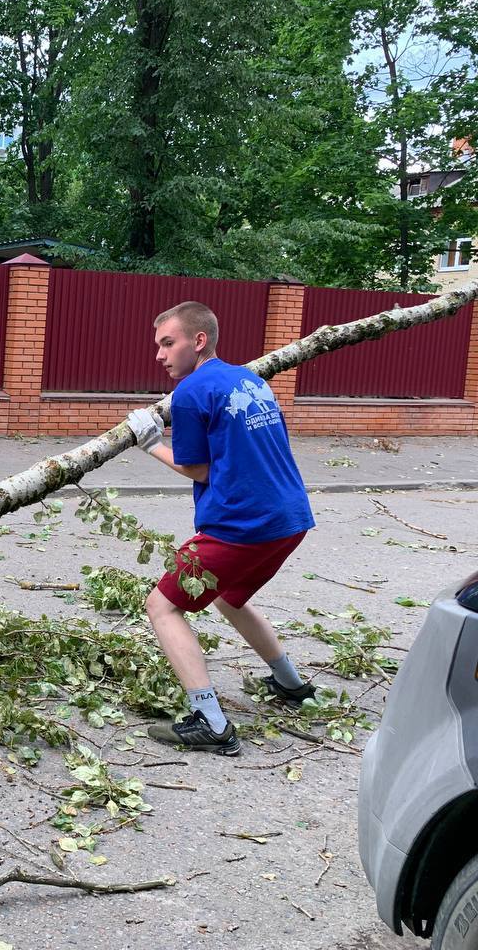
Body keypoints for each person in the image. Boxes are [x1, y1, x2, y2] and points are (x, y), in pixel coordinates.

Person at [125, 301, 316, 756]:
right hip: (289, 518)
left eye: (168, 343)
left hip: (240, 524)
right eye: (158, 345)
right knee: (231, 597)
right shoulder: (251, 379)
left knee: (162, 607)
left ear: (199, 341)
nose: (160, 355)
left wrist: (150, 443)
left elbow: (199, 469)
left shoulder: (192, 392)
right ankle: (291, 685)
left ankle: (209, 720)